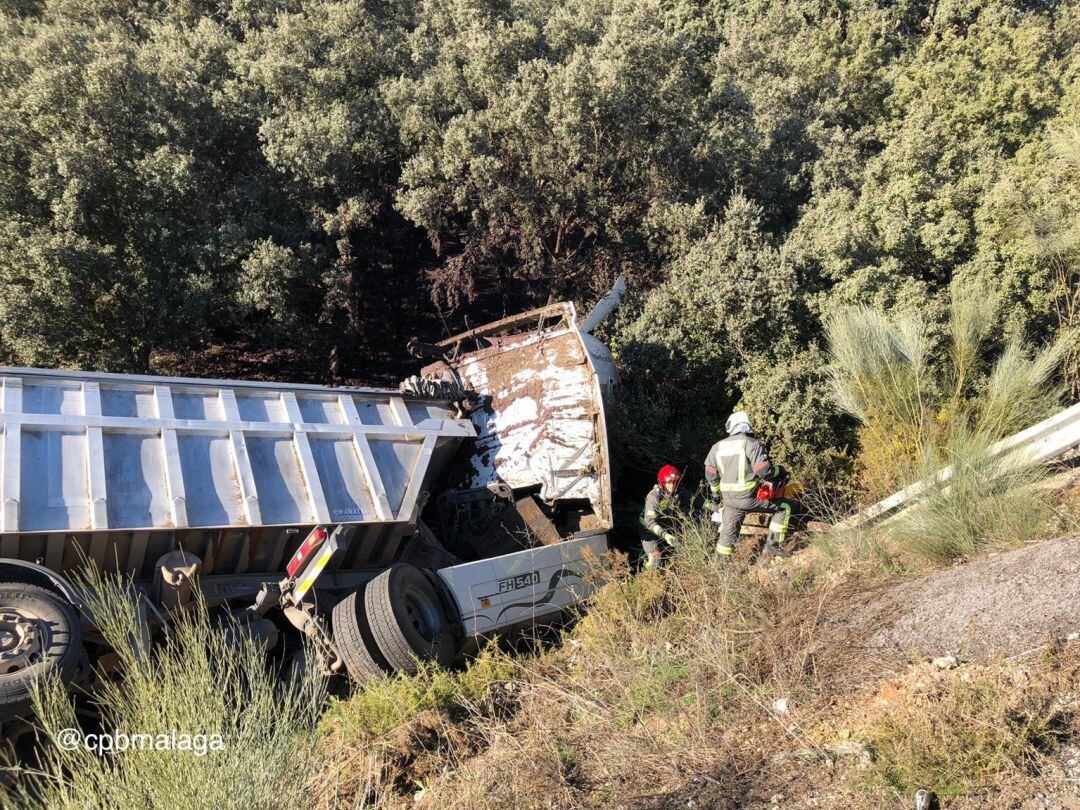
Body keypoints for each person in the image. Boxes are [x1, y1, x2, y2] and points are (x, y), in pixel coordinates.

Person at [704, 410, 792, 562]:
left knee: (727, 536)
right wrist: (779, 470)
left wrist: (716, 497)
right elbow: (763, 471)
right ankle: (772, 546)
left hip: (729, 501)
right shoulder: (751, 444)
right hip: (749, 498)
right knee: (784, 507)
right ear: (747, 426)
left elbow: (710, 474)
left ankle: (720, 570)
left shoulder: (716, 447)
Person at [639, 465, 692, 569]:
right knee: (655, 560)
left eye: (674, 482)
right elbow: (650, 523)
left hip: (667, 526)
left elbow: (699, 501)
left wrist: (717, 507)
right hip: (650, 530)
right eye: (668, 482)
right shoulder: (654, 497)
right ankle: (647, 577)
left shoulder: (679, 492)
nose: (671, 486)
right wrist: (665, 535)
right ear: (662, 483)